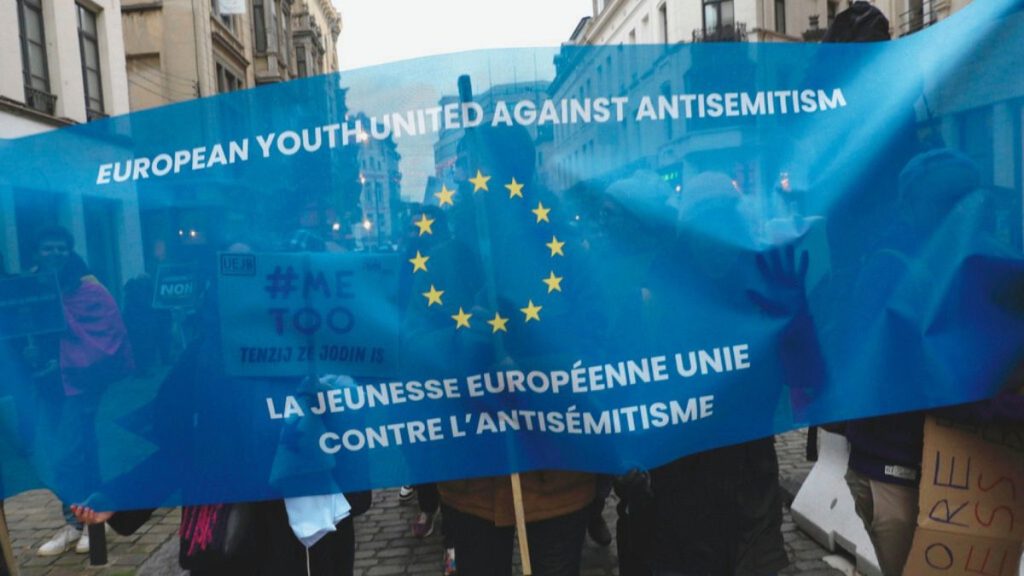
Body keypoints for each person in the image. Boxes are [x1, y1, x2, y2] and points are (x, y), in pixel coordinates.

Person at [30, 226, 133, 556]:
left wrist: (67, 357)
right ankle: (74, 522)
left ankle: (91, 522)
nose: (55, 253)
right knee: (61, 456)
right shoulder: (30, 286)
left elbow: (109, 333)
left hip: (80, 383)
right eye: (48, 247)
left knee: (73, 454)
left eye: (61, 247)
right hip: (46, 385)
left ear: (70, 250)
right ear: (37, 252)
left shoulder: (88, 288)